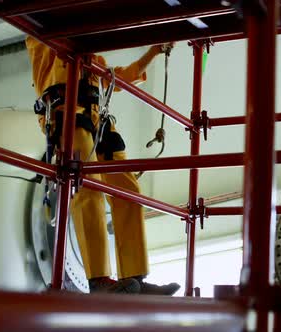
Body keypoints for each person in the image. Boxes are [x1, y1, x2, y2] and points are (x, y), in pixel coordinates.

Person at [26, 36, 179, 295]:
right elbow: (59, 33)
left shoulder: (93, 59)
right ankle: (98, 280)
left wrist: (153, 51)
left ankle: (135, 277)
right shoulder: (47, 43)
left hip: (97, 120)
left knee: (128, 190)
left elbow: (120, 77)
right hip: (67, 114)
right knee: (89, 190)